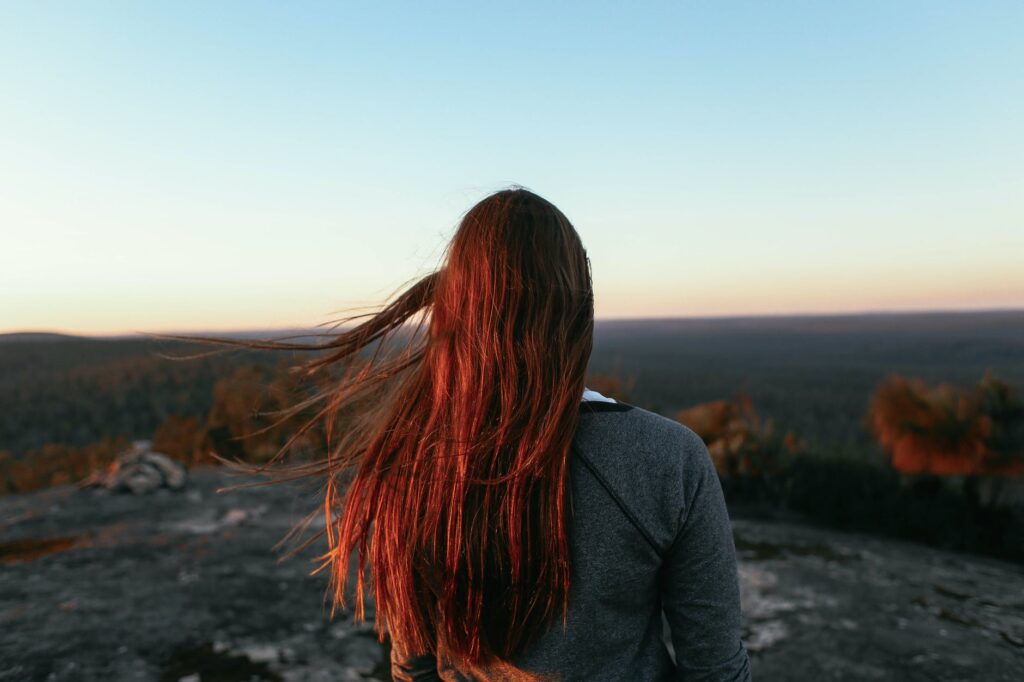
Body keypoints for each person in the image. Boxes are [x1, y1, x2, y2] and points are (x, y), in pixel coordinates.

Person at [169, 187, 751, 680]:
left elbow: (413, 669)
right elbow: (716, 671)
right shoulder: (667, 459)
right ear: (577, 312)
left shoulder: (408, 463)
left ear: (457, 310)